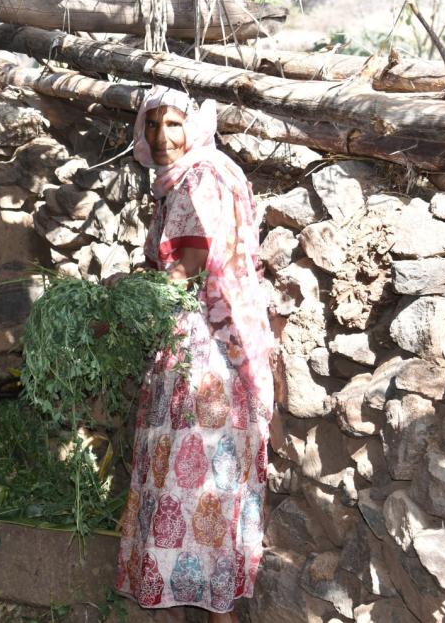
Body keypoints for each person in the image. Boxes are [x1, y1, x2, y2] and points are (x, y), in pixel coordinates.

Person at [113, 86, 274, 622]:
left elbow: (187, 270)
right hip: (215, 354)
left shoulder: (199, 178)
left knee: (192, 501)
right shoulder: (202, 176)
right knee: (206, 510)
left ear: (196, 127)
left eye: (174, 123)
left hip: (204, 360)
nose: (162, 137)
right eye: (153, 125)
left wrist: (120, 298)